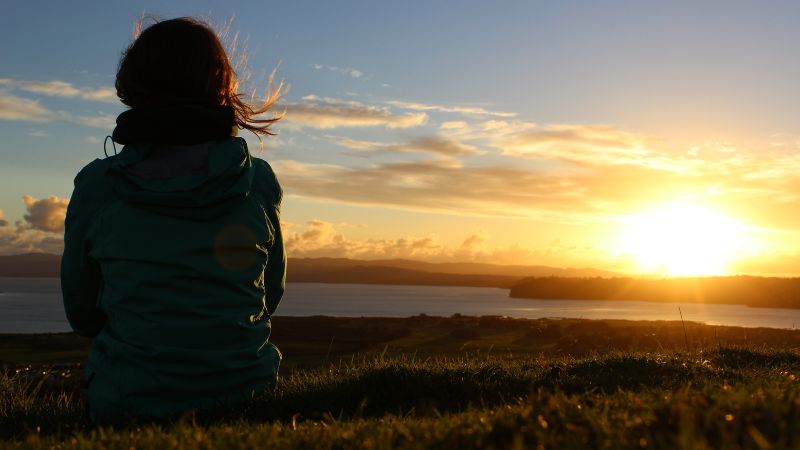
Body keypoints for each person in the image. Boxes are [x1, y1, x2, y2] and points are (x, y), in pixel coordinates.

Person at [60, 17, 286, 424]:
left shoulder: (98, 187)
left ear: (134, 86)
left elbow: (83, 315)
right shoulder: (257, 181)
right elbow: (269, 295)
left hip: (128, 405)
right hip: (248, 397)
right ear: (221, 85)